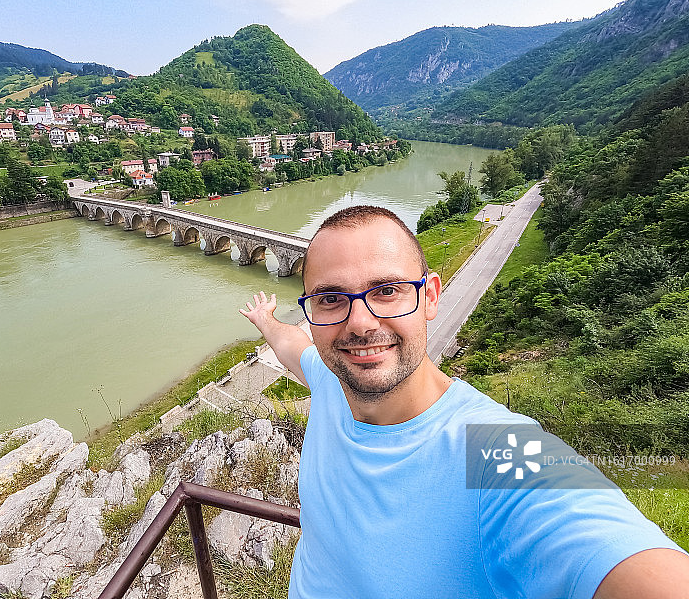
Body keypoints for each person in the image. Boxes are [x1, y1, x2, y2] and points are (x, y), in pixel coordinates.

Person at [239, 205, 689, 599]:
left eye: (387, 291)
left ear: (430, 296)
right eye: (331, 299)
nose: (360, 322)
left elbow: (617, 550)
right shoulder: (330, 379)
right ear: (312, 313)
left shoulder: (497, 447)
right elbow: (292, 346)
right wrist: (266, 319)